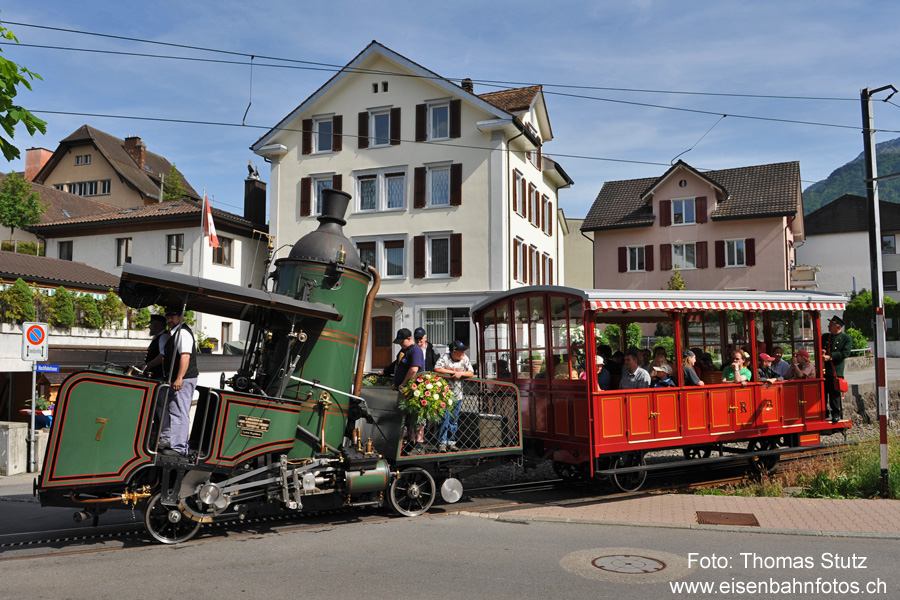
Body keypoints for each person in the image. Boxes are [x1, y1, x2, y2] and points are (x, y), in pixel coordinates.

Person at [158, 307, 198, 458]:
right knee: (175, 410)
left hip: (185, 378)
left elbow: (185, 356)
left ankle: (180, 447)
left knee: (180, 411)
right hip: (179, 377)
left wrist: (180, 377)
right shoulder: (175, 333)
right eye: (167, 317)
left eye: (172, 317)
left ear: (180, 316)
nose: (169, 320)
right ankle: (171, 441)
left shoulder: (182, 332)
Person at [434, 339, 475, 452]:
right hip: (445, 395)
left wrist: (461, 373)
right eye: (461, 351)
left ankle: (451, 442)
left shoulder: (464, 359)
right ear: (453, 351)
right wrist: (452, 373)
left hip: (458, 395)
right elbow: (437, 368)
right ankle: (442, 442)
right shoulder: (445, 357)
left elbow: (471, 372)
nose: (463, 353)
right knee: (444, 418)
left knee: (454, 419)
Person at [392, 328, 426, 454]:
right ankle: (410, 442)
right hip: (403, 389)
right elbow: (397, 365)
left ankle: (417, 443)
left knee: (415, 416)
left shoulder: (415, 350)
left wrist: (403, 383)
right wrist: (395, 382)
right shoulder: (404, 350)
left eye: (402, 341)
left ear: (409, 339)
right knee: (407, 416)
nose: (400, 344)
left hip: (413, 389)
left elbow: (413, 370)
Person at [822, 316, 852, 422]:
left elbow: (845, 353)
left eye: (831, 325)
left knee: (834, 394)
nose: (829, 327)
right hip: (824, 369)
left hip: (835, 370)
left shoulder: (846, 338)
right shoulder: (825, 337)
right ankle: (824, 411)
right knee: (823, 392)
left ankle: (836, 413)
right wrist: (822, 351)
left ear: (838, 326)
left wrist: (830, 357)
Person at [143, 314, 168, 379]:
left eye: (151, 324)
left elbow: (162, 356)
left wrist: (147, 366)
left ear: (157, 325)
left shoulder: (163, 337)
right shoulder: (157, 337)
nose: (149, 327)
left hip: (158, 375)